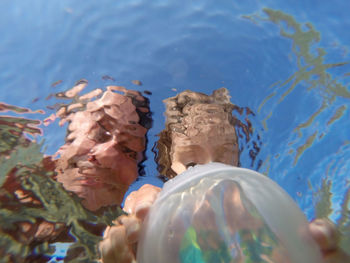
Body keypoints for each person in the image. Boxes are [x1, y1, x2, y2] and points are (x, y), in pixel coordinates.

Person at [99, 88, 350, 263]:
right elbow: (141, 200)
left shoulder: (257, 201)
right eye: (192, 162)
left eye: (222, 157)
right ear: (168, 167)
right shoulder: (154, 203)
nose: (210, 171)